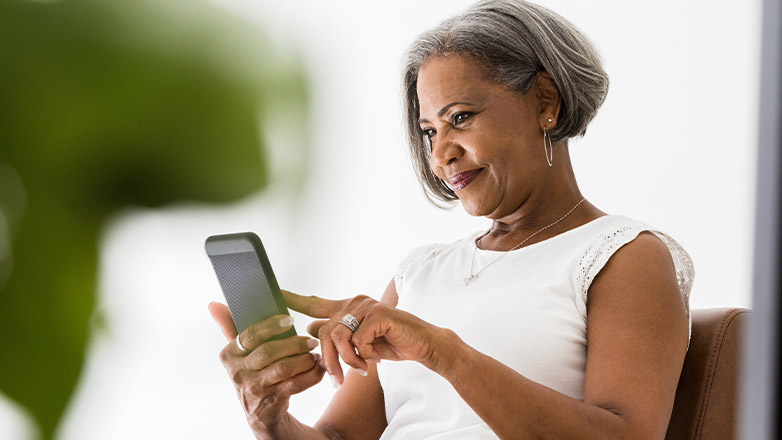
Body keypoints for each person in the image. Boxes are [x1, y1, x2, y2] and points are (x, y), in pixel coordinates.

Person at [208, 0, 694, 438]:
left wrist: (441, 351)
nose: (441, 155)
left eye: (460, 118)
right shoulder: (420, 271)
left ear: (545, 102)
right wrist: (269, 419)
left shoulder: (623, 255)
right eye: (429, 131)